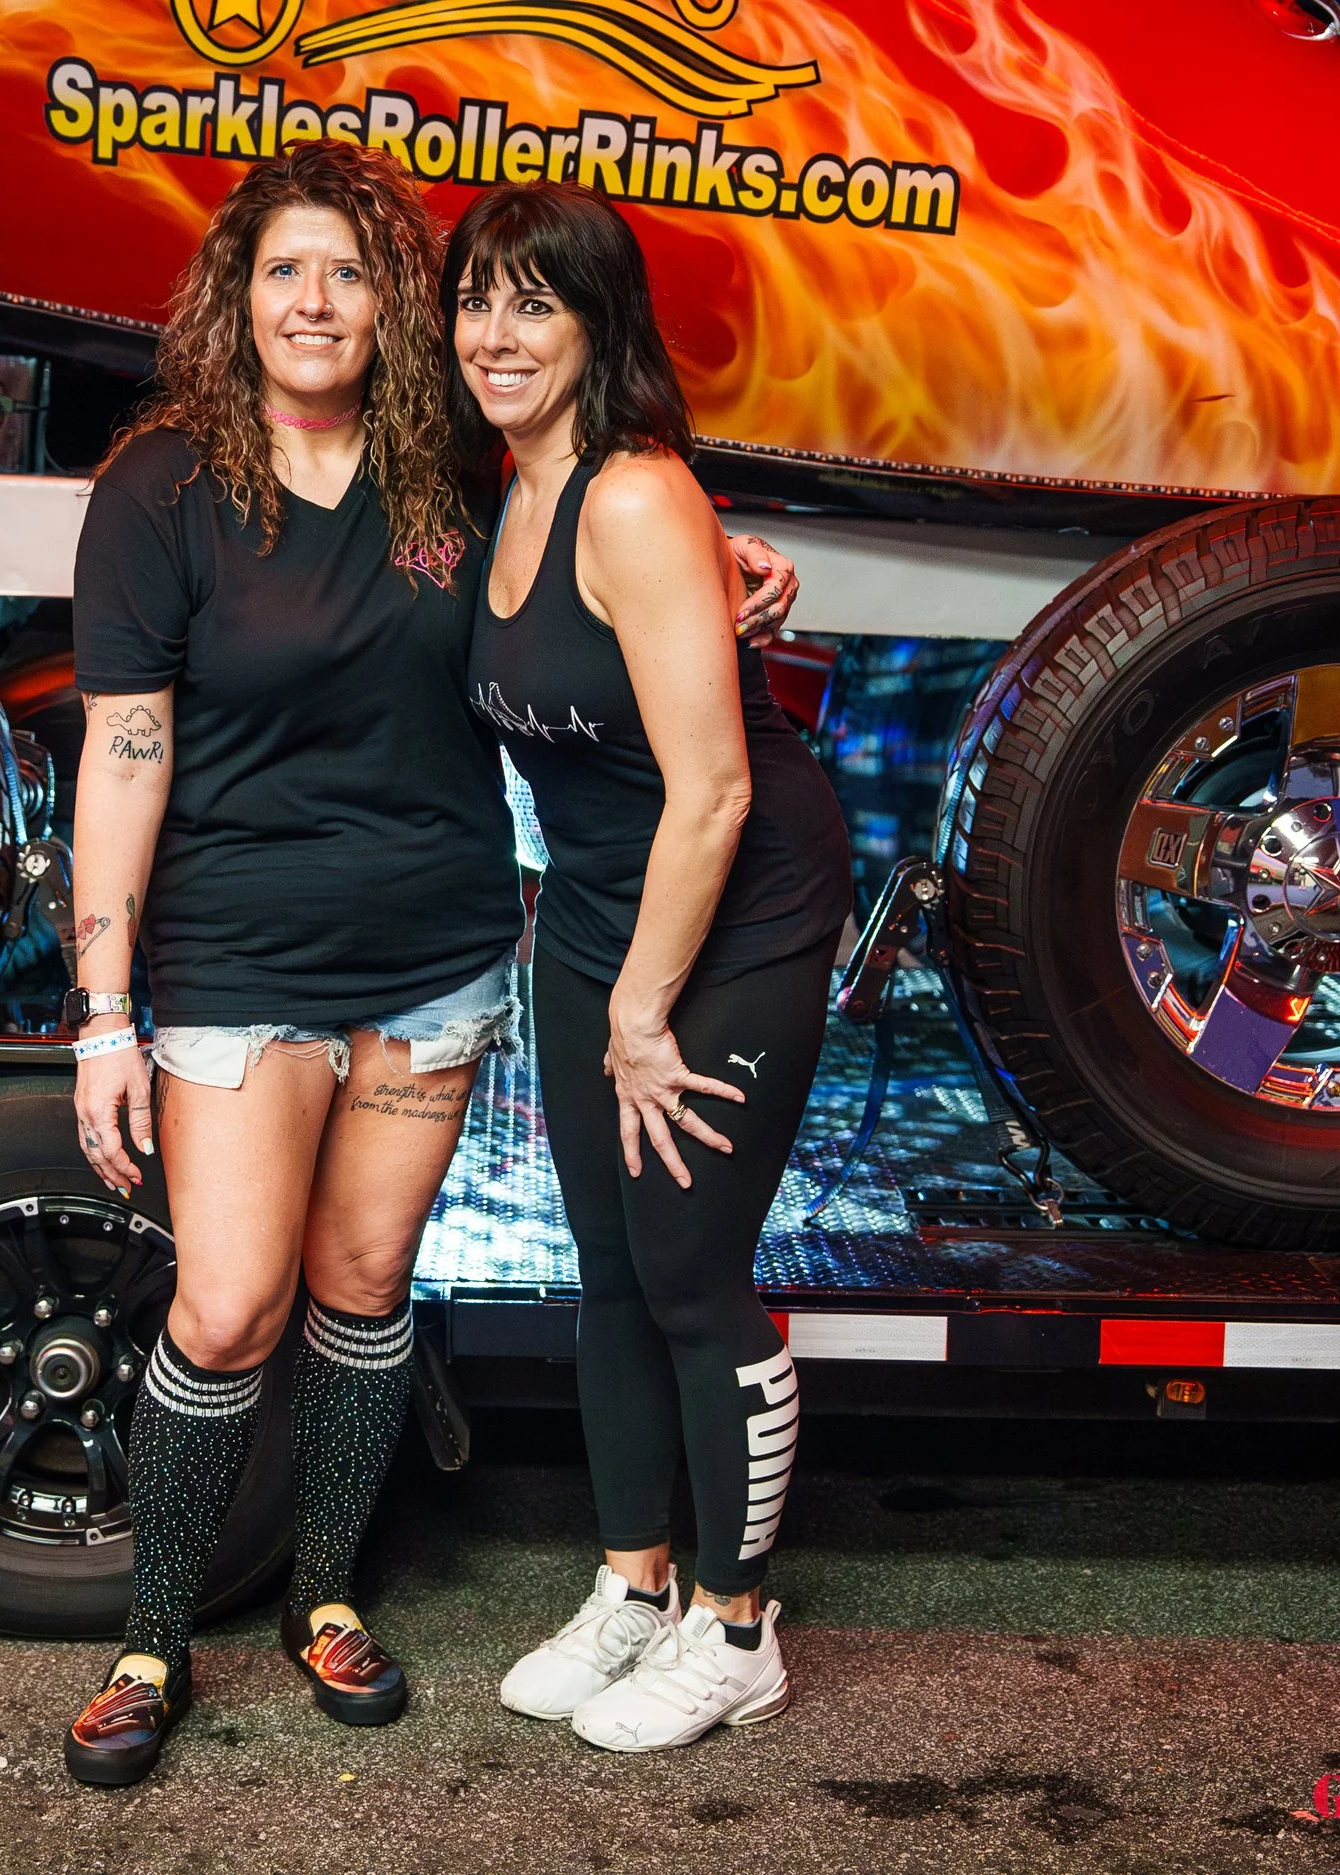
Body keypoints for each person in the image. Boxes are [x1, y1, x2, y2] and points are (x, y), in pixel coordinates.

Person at [60, 143, 804, 1787]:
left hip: (439, 955)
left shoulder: (448, 470)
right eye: (284, 272)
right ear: (235, 297)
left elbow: (609, 512)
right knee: (231, 1298)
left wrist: (729, 560)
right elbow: (121, 750)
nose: (317, 303)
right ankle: (150, 1635)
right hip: (240, 954)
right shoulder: (163, 485)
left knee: (366, 1290)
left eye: (351, 273)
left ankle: (327, 1600)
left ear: (392, 301)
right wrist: (104, 1010)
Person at [454, 183, 853, 1753]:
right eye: (479, 299)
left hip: (733, 900)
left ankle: (737, 1622)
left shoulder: (630, 493)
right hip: (606, 902)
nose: (498, 333)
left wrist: (637, 1008)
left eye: (535, 303)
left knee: (690, 1267)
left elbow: (720, 790)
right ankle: (634, 1582)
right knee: (605, 1260)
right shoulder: (512, 482)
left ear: (598, 323)